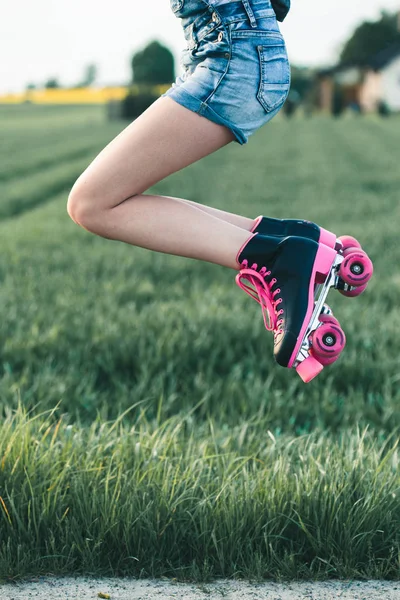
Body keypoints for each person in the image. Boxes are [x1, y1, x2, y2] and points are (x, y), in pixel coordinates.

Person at [67, 0, 370, 380]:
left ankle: (282, 258)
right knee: (95, 201)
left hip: (232, 56)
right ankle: (290, 241)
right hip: (225, 49)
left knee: (93, 203)